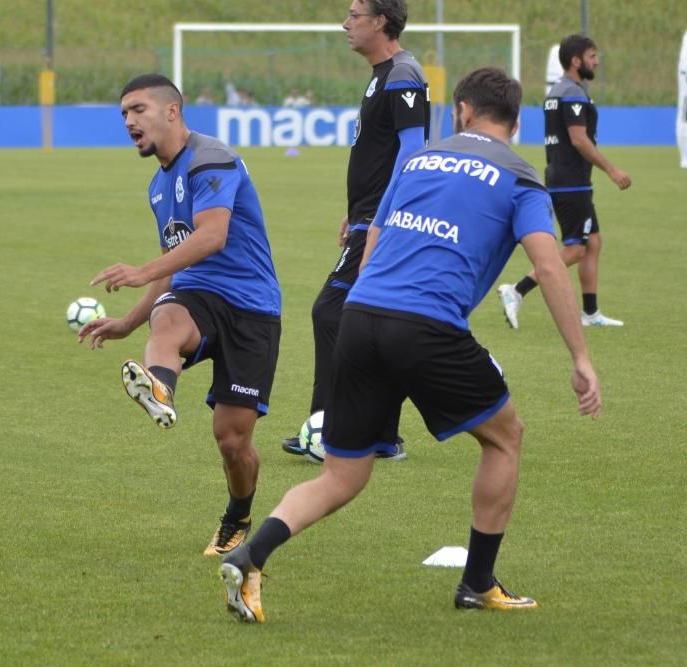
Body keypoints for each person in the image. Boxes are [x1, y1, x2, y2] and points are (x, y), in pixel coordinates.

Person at [219, 66, 602, 623]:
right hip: (425, 327)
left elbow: (373, 238)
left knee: (341, 476)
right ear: (514, 123)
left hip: (361, 315)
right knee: (504, 438)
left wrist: (371, 306)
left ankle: (252, 553)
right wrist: (580, 358)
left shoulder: (419, 160)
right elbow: (548, 265)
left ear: (463, 110)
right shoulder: (521, 178)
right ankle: (477, 584)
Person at [79, 74, 282, 558]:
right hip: (198, 295)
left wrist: (140, 270)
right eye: (124, 113)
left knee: (232, 441)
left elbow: (211, 236)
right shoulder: (156, 185)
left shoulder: (211, 157)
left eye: (138, 109)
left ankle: (238, 516)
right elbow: (177, 263)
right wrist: (129, 321)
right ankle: (160, 386)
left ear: (172, 110)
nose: (129, 121)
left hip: (253, 306)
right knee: (167, 320)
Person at [282, 0, 429, 460]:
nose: (345, 24)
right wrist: (358, 211)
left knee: (331, 312)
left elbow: (412, 153)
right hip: (369, 218)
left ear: (380, 21)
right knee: (371, 321)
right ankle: (381, 437)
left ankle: (331, 429)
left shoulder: (403, 73)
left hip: (383, 224)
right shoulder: (384, 74)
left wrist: (380, 218)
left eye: (354, 15)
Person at [498, 34, 631, 329]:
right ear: (576, 60)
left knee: (592, 242)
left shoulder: (558, 91)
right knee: (575, 249)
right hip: (571, 181)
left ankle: (591, 313)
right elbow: (579, 139)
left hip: (566, 178)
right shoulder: (571, 93)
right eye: (592, 56)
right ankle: (516, 290)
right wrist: (611, 170)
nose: (596, 61)